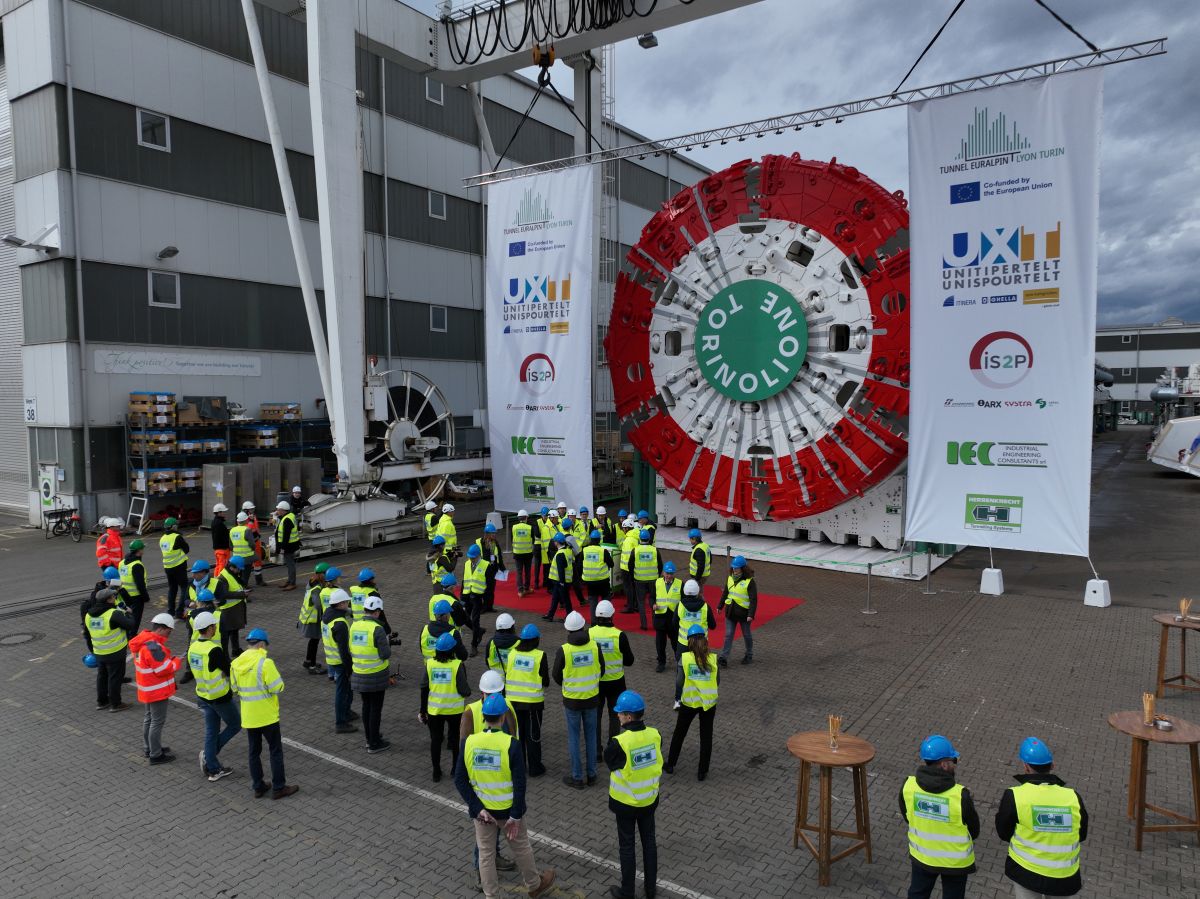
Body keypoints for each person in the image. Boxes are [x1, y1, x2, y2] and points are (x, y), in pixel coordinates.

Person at [454, 694, 557, 899]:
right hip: (508, 811)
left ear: (483, 717)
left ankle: (491, 895)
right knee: (521, 848)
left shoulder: (469, 743)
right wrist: (516, 815)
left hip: (483, 813)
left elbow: (459, 780)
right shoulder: (512, 744)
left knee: (486, 854)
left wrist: (477, 809)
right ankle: (534, 885)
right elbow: (520, 783)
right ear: (502, 718)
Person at [995, 737, 1088, 899]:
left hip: (1026, 872)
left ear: (1025, 766)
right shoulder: (1074, 797)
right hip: (1064, 877)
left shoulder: (1015, 796)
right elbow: (1082, 834)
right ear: (1052, 765)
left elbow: (1003, 832)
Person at [899, 734, 979, 899]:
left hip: (922, 857)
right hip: (955, 864)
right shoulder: (960, 795)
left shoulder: (908, 786)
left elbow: (907, 816)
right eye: (953, 761)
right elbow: (974, 831)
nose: (955, 765)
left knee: (917, 894)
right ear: (944, 764)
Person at [604, 689, 661, 899]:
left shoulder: (619, 742)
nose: (617, 715)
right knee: (649, 843)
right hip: (649, 800)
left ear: (628, 716)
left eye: (619, 713)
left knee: (627, 847)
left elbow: (610, 762)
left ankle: (627, 892)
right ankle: (650, 888)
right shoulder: (655, 734)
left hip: (626, 804)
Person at [230, 628, 298, 799]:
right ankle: (279, 787)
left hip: (249, 716)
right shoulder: (265, 663)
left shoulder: (236, 664)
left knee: (254, 752)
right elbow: (278, 687)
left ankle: (258, 786)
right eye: (265, 646)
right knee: (275, 751)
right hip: (267, 715)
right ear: (261, 644)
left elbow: (234, 688)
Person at [552, 611, 605, 789]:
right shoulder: (595, 647)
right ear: (584, 627)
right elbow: (602, 670)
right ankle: (592, 774)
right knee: (591, 736)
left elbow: (556, 676)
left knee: (574, 738)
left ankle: (577, 777)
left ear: (568, 629)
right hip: (592, 698)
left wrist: (569, 685)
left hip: (572, 701)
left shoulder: (564, 650)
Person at [188, 610, 241, 782]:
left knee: (211, 730)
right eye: (214, 626)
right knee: (235, 724)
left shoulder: (193, 647)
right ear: (210, 628)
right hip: (219, 696)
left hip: (203, 695)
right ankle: (209, 758)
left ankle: (213, 767)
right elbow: (228, 669)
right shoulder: (214, 650)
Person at [665, 626, 719, 781]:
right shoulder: (713, 658)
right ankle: (702, 771)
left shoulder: (685, 658)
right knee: (706, 736)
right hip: (708, 704)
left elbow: (679, 681)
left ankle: (671, 764)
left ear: (689, 641)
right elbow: (717, 681)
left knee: (679, 733)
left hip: (689, 702)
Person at [130, 613, 184, 765]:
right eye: (169, 631)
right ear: (161, 629)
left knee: (149, 719)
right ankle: (155, 754)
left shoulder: (142, 642)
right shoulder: (153, 647)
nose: (169, 634)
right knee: (157, 722)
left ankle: (149, 748)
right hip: (157, 691)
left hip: (147, 689)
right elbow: (163, 669)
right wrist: (176, 661)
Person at [420, 631, 471, 781]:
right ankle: (455, 769)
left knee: (435, 740)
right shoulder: (457, 665)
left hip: (435, 711)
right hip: (454, 710)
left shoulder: (430, 664)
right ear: (452, 650)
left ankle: (436, 771)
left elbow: (424, 687)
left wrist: (422, 710)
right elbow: (465, 690)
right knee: (455, 740)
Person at [590, 599, 635, 755]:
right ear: (612, 616)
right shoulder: (619, 635)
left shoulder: (589, 633)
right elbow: (630, 661)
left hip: (596, 682)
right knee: (616, 716)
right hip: (616, 683)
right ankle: (612, 748)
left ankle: (596, 751)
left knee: (595, 716)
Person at [505, 624, 549, 778]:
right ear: (536, 639)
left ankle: (519, 766)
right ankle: (535, 767)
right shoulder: (540, 655)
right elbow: (546, 681)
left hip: (512, 703)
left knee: (517, 735)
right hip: (532, 704)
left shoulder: (511, 654)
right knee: (533, 736)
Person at [350, 596, 393, 753]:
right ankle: (374, 743)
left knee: (366, 706)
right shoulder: (377, 629)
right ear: (376, 612)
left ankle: (370, 738)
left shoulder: (354, 626)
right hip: (376, 675)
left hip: (359, 672)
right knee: (375, 709)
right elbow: (385, 654)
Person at [84, 584, 133, 712]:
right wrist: (128, 613)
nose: (114, 598)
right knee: (115, 678)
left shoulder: (89, 615)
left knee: (102, 676)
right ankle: (115, 704)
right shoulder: (113, 614)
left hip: (99, 652)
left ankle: (102, 702)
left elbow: (87, 635)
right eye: (113, 597)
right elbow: (130, 625)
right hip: (115, 652)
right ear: (108, 600)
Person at [321, 588, 357, 734]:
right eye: (346, 602)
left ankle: (347, 712)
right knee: (342, 691)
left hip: (332, 659)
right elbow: (344, 650)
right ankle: (341, 722)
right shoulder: (340, 624)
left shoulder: (327, 616)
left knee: (346, 689)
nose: (348, 604)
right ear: (341, 604)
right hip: (340, 661)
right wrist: (349, 668)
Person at [718, 556, 756, 667]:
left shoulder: (750, 582)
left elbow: (753, 600)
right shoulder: (730, 578)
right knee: (728, 635)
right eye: (733, 568)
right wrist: (720, 606)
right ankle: (723, 657)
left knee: (746, 635)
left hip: (744, 614)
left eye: (737, 568)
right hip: (731, 612)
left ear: (743, 569)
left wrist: (751, 615)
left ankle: (749, 654)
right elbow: (725, 592)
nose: (734, 570)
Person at [215, 555, 249, 659]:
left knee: (235, 630)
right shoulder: (223, 577)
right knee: (227, 634)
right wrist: (242, 594)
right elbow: (224, 594)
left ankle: (236, 649)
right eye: (238, 569)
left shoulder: (231, 574)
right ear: (232, 567)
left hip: (234, 609)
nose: (239, 571)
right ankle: (226, 657)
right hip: (228, 611)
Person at [461, 544, 491, 657]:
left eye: (473, 557)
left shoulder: (486, 565)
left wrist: (487, 603)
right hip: (468, 596)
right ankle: (479, 631)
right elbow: (465, 580)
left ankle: (474, 645)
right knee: (464, 618)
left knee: (474, 620)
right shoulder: (467, 563)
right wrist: (462, 598)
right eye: (470, 557)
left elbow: (489, 586)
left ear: (479, 555)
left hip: (478, 598)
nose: (471, 559)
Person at [297, 563, 327, 675]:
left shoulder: (313, 582)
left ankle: (308, 661)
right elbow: (318, 604)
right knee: (314, 642)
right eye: (325, 574)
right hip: (313, 619)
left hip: (310, 618)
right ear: (320, 574)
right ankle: (312, 667)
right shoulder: (316, 587)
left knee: (313, 641)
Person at [652, 562, 682, 672]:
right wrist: (653, 605)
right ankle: (661, 663)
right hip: (660, 617)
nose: (669, 576)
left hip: (673, 618)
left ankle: (680, 662)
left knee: (675, 643)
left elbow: (683, 600)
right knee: (660, 643)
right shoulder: (657, 582)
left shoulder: (680, 584)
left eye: (671, 573)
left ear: (674, 573)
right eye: (667, 573)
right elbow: (651, 597)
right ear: (663, 573)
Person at [630, 530, 662, 632]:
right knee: (653, 600)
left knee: (641, 602)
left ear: (640, 538)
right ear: (649, 539)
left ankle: (644, 625)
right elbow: (660, 565)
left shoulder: (635, 550)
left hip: (639, 580)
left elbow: (630, 565)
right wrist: (657, 575)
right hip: (653, 580)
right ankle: (655, 623)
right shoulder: (654, 550)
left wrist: (633, 576)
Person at [159, 517, 191, 618]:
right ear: (174, 526)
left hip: (168, 567)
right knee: (184, 588)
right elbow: (186, 549)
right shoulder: (177, 537)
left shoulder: (162, 538)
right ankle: (179, 612)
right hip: (179, 566)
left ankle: (170, 611)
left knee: (172, 588)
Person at [581, 531, 615, 620]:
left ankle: (594, 622)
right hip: (602, 581)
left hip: (589, 581)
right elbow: (611, 564)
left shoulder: (584, 550)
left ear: (590, 539)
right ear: (599, 540)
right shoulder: (603, 551)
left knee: (593, 601)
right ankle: (606, 619)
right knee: (606, 600)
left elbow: (579, 564)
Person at [118, 539, 150, 632]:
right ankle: (132, 638)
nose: (143, 550)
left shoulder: (122, 562)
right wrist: (146, 597)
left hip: (124, 595)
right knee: (135, 619)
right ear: (139, 551)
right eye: (142, 549)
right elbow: (140, 584)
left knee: (127, 616)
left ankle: (128, 635)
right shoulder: (137, 565)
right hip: (136, 597)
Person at [475, 523, 506, 613]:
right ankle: (483, 607)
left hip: (493, 569)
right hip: (483, 569)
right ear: (487, 534)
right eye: (493, 533)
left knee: (491, 589)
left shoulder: (495, 543)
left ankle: (489, 606)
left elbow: (499, 555)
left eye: (495, 533)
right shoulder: (479, 542)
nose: (494, 535)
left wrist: (502, 568)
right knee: (483, 589)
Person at [543, 533, 575, 621]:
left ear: (557, 542)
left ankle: (570, 617)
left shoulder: (560, 554)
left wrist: (561, 582)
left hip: (560, 581)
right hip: (562, 580)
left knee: (566, 599)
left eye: (554, 541)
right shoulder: (567, 550)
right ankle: (550, 615)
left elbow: (561, 569)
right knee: (555, 598)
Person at [274, 500, 301, 590]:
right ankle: (290, 581)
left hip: (289, 546)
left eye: (278, 509)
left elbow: (286, 536)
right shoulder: (289, 516)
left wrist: (282, 548)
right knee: (289, 564)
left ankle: (292, 583)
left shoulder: (287, 520)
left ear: (283, 510)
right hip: (292, 545)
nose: (277, 511)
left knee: (290, 565)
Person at [241, 500, 266, 586]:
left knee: (258, 562)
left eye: (253, 509)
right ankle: (244, 582)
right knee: (247, 564)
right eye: (250, 510)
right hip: (250, 544)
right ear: (246, 510)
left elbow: (255, 528)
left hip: (256, 542)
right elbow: (247, 530)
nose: (252, 511)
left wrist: (258, 536)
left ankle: (259, 580)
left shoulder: (253, 517)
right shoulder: (244, 519)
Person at [511, 510, 535, 596]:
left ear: (518, 518)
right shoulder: (529, 527)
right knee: (527, 572)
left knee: (519, 572)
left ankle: (520, 591)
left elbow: (512, 539)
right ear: (526, 518)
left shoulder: (514, 527)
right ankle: (527, 588)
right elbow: (533, 540)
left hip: (517, 553)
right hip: (528, 553)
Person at [619, 517, 639, 613]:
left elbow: (627, 556)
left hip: (626, 568)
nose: (623, 530)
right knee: (634, 587)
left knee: (628, 588)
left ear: (627, 528)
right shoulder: (636, 537)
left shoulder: (628, 540)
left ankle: (630, 606)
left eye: (623, 528)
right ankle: (635, 605)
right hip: (634, 567)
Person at [533, 507, 554, 590]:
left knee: (546, 565)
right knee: (537, 566)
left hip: (546, 546)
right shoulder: (537, 522)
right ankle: (536, 583)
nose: (546, 517)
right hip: (538, 547)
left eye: (547, 516)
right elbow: (536, 534)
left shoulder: (549, 522)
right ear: (541, 515)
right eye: (544, 516)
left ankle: (546, 582)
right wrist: (545, 532)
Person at [211, 503, 232, 576]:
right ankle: (220, 581)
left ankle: (216, 579)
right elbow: (223, 537)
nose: (225, 513)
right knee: (222, 566)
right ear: (219, 513)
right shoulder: (219, 523)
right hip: (223, 550)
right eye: (224, 512)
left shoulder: (215, 522)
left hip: (218, 549)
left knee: (218, 565)